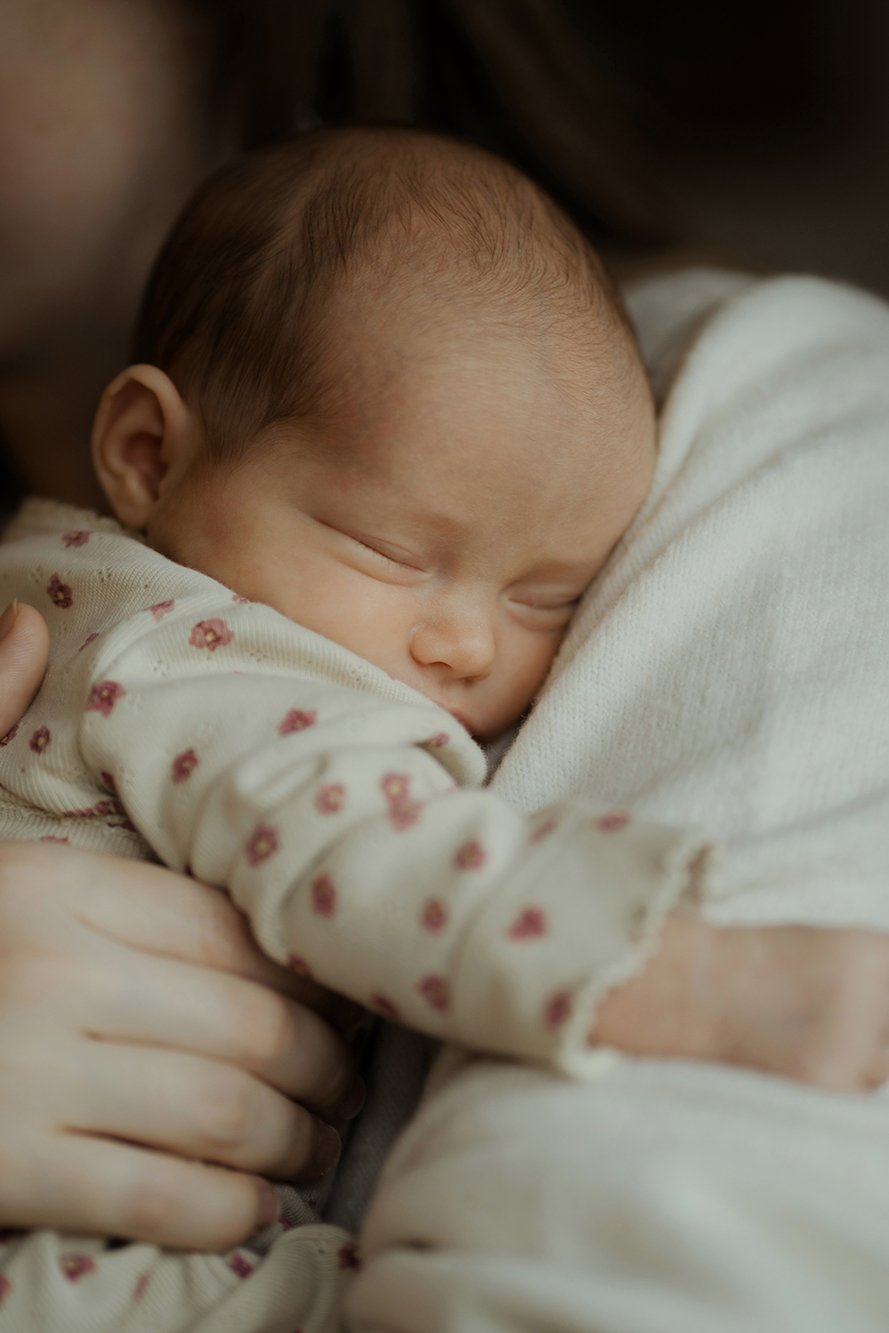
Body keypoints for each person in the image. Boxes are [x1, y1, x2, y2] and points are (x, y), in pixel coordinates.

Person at [0, 123, 712, 1330]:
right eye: (390, 551)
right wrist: (667, 974)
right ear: (148, 455)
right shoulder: (179, 647)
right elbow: (364, 854)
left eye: (547, 597)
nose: (467, 645)